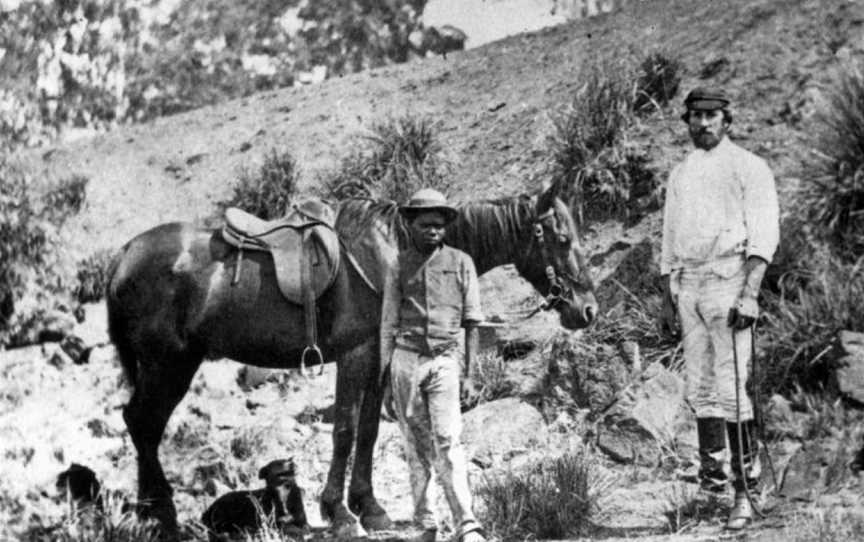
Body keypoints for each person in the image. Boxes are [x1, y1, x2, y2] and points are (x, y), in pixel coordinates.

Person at [659, 87, 780, 530]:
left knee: (732, 386)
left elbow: (764, 236)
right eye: (695, 116)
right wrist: (667, 297)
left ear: (727, 120)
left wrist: (749, 293)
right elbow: (669, 239)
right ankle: (711, 486)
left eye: (712, 116)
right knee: (701, 387)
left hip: (730, 281)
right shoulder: (681, 173)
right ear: (687, 121)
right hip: (689, 285)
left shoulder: (749, 167)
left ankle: (745, 491)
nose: (703, 124)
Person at [380, 188, 486, 542]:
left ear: (446, 228)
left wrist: (471, 374)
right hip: (406, 360)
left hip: (444, 361)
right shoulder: (398, 264)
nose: (432, 231)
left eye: (439, 226)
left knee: (448, 440)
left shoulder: (461, 263)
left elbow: (473, 322)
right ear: (411, 225)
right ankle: (426, 523)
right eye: (425, 225)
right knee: (415, 444)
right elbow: (388, 324)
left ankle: (466, 523)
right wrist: (385, 381)